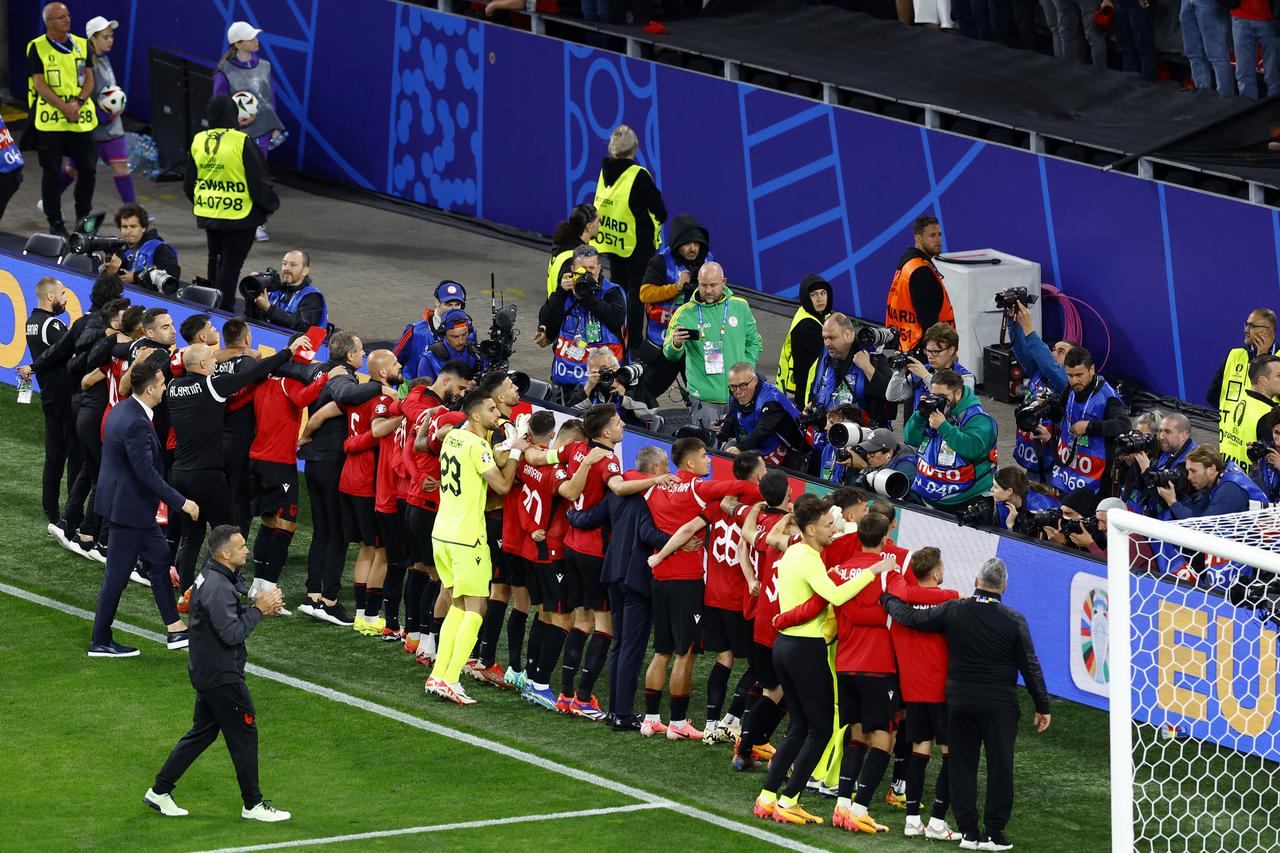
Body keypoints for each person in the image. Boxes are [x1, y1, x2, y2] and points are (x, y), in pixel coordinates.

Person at [881, 557, 1052, 851]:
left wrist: (886, 599)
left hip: (960, 701)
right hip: (1000, 705)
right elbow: (1030, 665)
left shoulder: (954, 609)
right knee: (1000, 767)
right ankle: (994, 834)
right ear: (1004, 587)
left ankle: (969, 833)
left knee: (962, 766)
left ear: (976, 582)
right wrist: (1042, 705)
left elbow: (912, 619)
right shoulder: (1014, 619)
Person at [751, 494, 889, 826]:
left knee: (799, 726)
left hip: (785, 647)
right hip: (806, 649)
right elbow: (838, 595)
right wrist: (873, 571)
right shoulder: (811, 558)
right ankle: (789, 800)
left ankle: (768, 797)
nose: (834, 529)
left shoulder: (795, 550)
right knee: (821, 729)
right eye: (828, 525)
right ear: (811, 528)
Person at [144, 525, 290, 822]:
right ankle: (253, 804)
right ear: (225, 554)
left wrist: (256, 606)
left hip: (207, 668)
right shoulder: (217, 586)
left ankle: (159, 791)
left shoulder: (213, 574)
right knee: (245, 734)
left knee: (203, 733)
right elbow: (232, 633)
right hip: (221, 675)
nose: (247, 550)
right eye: (241, 547)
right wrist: (259, 609)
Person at [167, 336, 309, 592]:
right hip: (207, 475)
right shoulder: (211, 385)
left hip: (179, 473)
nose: (216, 363)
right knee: (229, 533)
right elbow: (254, 373)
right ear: (201, 364)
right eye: (211, 360)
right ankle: (216, 585)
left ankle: (186, 590)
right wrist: (288, 352)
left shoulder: (174, 385)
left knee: (192, 536)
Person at [642, 437, 758, 740]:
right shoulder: (698, 489)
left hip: (660, 578)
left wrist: (658, 554)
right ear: (690, 462)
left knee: (661, 650)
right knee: (685, 651)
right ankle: (678, 723)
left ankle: (651, 718)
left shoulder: (656, 487)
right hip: (686, 580)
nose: (709, 461)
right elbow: (744, 488)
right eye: (705, 456)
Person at [424, 390, 528, 706]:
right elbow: (501, 485)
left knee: (457, 603)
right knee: (477, 608)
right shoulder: (477, 444)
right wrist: (516, 453)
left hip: (442, 532)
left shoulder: (454, 437)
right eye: (491, 409)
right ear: (474, 415)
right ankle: (452, 677)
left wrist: (508, 446)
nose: (498, 414)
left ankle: (438, 675)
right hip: (467, 537)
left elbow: (481, 461)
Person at [90, 360, 199, 657]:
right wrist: (182, 502)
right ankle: (100, 640)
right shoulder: (137, 421)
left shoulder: (124, 408)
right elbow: (146, 473)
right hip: (129, 509)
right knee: (117, 576)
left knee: (160, 562)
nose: (165, 387)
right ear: (150, 388)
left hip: (127, 505)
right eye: (162, 383)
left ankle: (175, 629)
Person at [566, 444, 675, 729]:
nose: (667, 473)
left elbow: (589, 518)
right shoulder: (647, 497)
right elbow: (647, 533)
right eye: (665, 467)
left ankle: (616, 710)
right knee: (632, 647)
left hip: (612, 573)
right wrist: (677, 541)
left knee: (620, 644)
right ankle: (622, 714)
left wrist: (570, 515)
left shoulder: (617, 492)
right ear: (654, 470)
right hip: (636, 579)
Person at [295, 331, 382, 625]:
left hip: (315, 462)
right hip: (332, 462)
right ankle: (329, 601)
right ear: (349, 356)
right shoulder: (342, 377)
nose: (363, 355)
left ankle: (313, 594)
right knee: (336, 535)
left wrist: (306, 436)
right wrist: (380, 387)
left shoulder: (318, 369)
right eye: (360, 350)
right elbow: (340, 400)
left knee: (321, 532)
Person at [246, 336, 328, 610]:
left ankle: (257, 584)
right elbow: (306, 396)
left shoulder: (262, 379)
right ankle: (269, 591)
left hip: (258, 458)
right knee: (286, 524)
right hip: (279, 462)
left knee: (269, 521)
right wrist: (324, 376)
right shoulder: (289, 382)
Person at [888, 548, 962, 841]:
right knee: (950, 755)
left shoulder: (901, 598)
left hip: (913, 691)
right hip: (943, 692)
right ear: (935, 573)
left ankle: (911, 820)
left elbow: (896, 587)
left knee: (920, 751)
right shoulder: (949, 598)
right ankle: (937, 822)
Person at [184, 95, 279, 311]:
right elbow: (259, 180)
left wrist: (203, 200)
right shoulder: (241, 141)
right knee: (230, 264)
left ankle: (211, 304)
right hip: (240, 215)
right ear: (234, 115)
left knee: (214, 259)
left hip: (209, 212)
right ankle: (224, 309)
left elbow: (189, 182)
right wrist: (269, 206)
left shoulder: (199, 139)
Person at [592, 124, 667, 352]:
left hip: (614, 242)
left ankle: (615, 337)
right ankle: (633, 345)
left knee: (618, 290)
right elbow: (660, 211)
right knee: (636, 295)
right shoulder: (638, 176)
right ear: (634, 148)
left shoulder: (605, 173)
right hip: (636, 245)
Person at [664, 262, 762, 431]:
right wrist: (675, 343)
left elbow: (754, 342)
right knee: (708, 451)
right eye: (703, 285)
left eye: (713, 285)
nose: (708, 290)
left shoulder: (740, 306)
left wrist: (746, 371)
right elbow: (669, 353)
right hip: (705, 400)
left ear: (724, 282)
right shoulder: (684, 313)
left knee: (737, 450)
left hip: (739, 397)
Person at [27, 2, 98, 236]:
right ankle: (55, 221)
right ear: (48, 22)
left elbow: (89, 78)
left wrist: (76, 103)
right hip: (50, 120)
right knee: (51, 171)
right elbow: (39, 83)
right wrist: (63, 107)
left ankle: (83, 218)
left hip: (80, 118)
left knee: (87, 169)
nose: (67, 21)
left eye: (67, 16)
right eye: (60, 18)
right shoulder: (37, 47)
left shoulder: (81, 44)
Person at [215, 20, 286, 241]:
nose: (256, 41)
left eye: (256, 37)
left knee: (260, 177)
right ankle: (239, 219)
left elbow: (270, 98)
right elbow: (218, 105)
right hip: (237, 133)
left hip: (262, 131)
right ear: (237, 43)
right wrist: (235, 122)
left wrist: (273, 125)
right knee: (240, 178)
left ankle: (258, 223)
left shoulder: (264, 65)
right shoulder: (224, 71)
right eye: (251, 38)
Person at [23, 276, 78, 532]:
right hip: (66, 397)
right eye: (63, 294)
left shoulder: (30, 323)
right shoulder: (52, 324)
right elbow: (69, 351)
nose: (66, 299)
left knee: (54, 457)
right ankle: (71, 515)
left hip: (48, 396)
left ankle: (51, 511)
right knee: (75, 458)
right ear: (50, 297)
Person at [539, 244, 627, 403]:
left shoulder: (612, 291)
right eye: (582, 268)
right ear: (573, 269)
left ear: (599, 268)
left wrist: (586, 297)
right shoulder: (565, 291)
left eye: (591, 268)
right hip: (565, 378)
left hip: (601, 380)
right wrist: (559, 292)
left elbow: (615, 319)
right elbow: (546, 319)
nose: (587, 272)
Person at [61, 17, 135, 205]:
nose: (110, 40)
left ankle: (133, 210)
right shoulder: (84, 65)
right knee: (73, 170)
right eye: (105, 37)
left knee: (121, 167)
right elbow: (80, 96)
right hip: (92, 128)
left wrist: (116, 105)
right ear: (93, 38)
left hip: (112, 127)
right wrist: (105, 114)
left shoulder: (104, 58)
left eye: (111, 36)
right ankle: (49, 200)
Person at [903, 369, 998, 512]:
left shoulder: (979, 419)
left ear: (958, 394)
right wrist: (920, 415)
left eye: (941, 396)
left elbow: (973, 450)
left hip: (965, 500)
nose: (937, 400)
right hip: (925, 495)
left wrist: (944, 427)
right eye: (933, 395)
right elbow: (910, 439)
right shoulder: (934, 412)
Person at [637, 213, 712, 397]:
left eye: (696, 244)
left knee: (704, 394)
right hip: (664, 342)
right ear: (677, 243)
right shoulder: (661, 262)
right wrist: (676, 287)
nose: (693, 248)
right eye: (687, 244)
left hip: (696, 342)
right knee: (645, 394)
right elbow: (644, 294)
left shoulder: (708, 261)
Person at [1047, 345, 1129, 496]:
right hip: (1070, 471)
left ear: (1092, 369)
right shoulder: (1072, 387)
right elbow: (1060, 411)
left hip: (1096, 478)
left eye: (1079, 375)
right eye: (1070, 375)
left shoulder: (1107, 397)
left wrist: (1090, 427)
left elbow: (1123, 425)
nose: (1074, 381)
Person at [1008, 303, 1071, 482]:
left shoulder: (1066, 383)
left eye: (1062, 352)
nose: (1053, 353)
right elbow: (1020, 348)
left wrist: (1028, 326)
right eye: (1053, 349)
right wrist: (1013, 322)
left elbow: (1047, 363)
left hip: (1055, 464)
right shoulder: (1038, 373)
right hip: (1033, 460)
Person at [804, 313, 893, 429]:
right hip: (825, 433)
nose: (826, 343)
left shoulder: (872, 357)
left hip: (860, 438)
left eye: (831, 338)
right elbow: (816, 385)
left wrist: (868, 368)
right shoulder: (826, 353)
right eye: (825, 338)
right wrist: (812, 405)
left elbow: (891, 396)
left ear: (848, 335)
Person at [885, 216, 953, 353]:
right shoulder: (920, 272)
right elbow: (929, 321)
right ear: (918, 238)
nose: (938, 239)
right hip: (924, 351)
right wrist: (940, 352)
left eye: (939, 234)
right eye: (932, 235)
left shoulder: (908, 263)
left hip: (906, 345)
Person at [718, 363, 806, 467]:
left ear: (754, 381)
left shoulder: (771, 400)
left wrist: (740, 447)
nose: (738, 392)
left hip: (789, 452)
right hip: (759, 448)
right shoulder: (735, 394)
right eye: (733, 386)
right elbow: (733, 415)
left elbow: (763, 429)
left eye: (743, 385)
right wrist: (723, 432)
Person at [886, 322, 975, 419]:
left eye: (936, 351)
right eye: (928, 351)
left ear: (951, 350)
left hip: (949, 431)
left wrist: (926, 376)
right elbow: (892, 396)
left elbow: (959, 403)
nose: (930, 356)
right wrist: (900, 372)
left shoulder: (965, 377)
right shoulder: (920, 372)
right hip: (920, 431)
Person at [1119, 413, 1197, 517]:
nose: (1161, 437)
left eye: (1167, 432)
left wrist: (1146, 470)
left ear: (1183, 435)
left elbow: (1161, 500)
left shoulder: (1191, 462)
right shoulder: (1169, 451)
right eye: (1160, 431)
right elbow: (1143, 487)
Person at [566, 347, 662, 430]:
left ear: (616, 367)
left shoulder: (632, 385)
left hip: (627, 436)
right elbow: (570, 414)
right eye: (596, 372)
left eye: (604, 369)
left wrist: (625, 394)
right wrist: (588, 388)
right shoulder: (588, 387)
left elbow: (650, 415)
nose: (602, 375)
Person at [776, 273, 834, 410]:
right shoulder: (806, 325)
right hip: (809, 394)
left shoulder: (823, 316)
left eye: (823, 293)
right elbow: (833, 353)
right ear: (806, 297)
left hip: (817, 388)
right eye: (814, 295)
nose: (820, 299)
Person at [1162, 446, 1269, 519]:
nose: (1189, 477)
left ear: (1211, 470)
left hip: (1265, 545)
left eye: (1193, 471)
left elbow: (1202, 530)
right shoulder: (1223, 474)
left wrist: (1172, 502)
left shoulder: (1229, 489)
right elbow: (1198, 512)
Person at [395, 280, 468, 380]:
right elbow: (393, 361)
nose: (453, 309)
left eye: (457, 305)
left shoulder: (468, 332)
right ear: (437, 303)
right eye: (449, 305)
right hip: (413, 391)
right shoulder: (415, 331)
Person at [1208, 308, 1278, 413]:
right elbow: (1212, 396)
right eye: (1246, 324)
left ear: (1266, 331)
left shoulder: (1278, 360)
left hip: (1267, 428)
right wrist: (1234, 414)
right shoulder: (1234, 355)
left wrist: (1262, 357)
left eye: (1252, 326)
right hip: (1231, 429)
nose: (1246, 330)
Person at [1219, 355, 1280, 471]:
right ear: (1263, 381)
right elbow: (1273, 463)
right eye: (1279, 376)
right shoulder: (1268, 416)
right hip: (1253, 484)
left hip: (1229, 474)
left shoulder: (1234, 400)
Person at [244, 249, 328, 332]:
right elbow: (253, 318)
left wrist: (269, 309)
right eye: (284, 264)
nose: (286, 268)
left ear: (305, 271)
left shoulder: (312, 297)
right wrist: (253, 292)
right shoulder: (275, 290)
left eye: (293, 265)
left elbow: (303, 327)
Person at [103, 203, 180, 283]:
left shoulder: (159, 248)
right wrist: (111, 272)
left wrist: (136, 277)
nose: (128, 231)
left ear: (143, 227)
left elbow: (172, 275)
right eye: (124, 227)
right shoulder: (120, 250)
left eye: (133, 226)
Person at [1180, 0, 1234, 96]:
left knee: (1217, 54)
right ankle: (1202, 96)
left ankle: (1225, 99)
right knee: (1194, 54)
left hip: (1209, 3)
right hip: (1186, 2)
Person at [417, 309, 485, 381]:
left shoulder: (478, 354)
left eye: (464, 334)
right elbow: (423, 391)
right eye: (454, 336)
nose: (460, 341)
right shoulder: (429, 359)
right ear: (444, 334)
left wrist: (476, 384)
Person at [546, 203, 599, 296]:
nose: (600, 225)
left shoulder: (562, 248)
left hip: (554, 306)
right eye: (598, 221)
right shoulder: (576, 259)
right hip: (566, 309)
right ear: (589, 226)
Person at [1231, 0, 1280, 100]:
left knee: (1273, 75)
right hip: (1241, 15)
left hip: (1269, 17)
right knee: (1244, 74)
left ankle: (1273, 110)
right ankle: (1249, 109)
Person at [991, 466, 1060, 536]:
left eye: (996, 487)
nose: (991, 489)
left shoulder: (1041, 509)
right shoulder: (1001, 503)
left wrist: (1010, 526)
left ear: (1009, 491)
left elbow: (1031, 544)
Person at [846, 427, 920, 488]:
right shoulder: (884, 458)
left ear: (889, 453)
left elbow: (889, 498)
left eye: (872, 453)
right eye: (867, 451)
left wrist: (864, 467)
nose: (868, 456)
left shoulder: (905, 469)